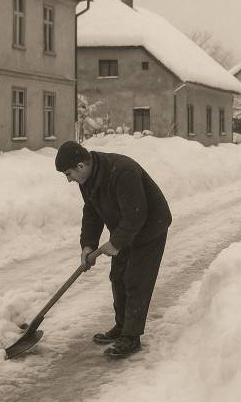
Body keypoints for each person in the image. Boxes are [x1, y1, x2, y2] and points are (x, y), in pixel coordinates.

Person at [55, 141, 172, 358]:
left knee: (136, 279)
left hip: (150, 227)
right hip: (125, 228)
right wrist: (88, 245)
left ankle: (131, 337)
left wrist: (117, 242)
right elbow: (91, 213)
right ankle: (121, 327)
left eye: (68, 173)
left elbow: (136, 214)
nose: (69, 179)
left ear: (81, 166)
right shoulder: (87, 180)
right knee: (118, 277)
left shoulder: (122, 171)